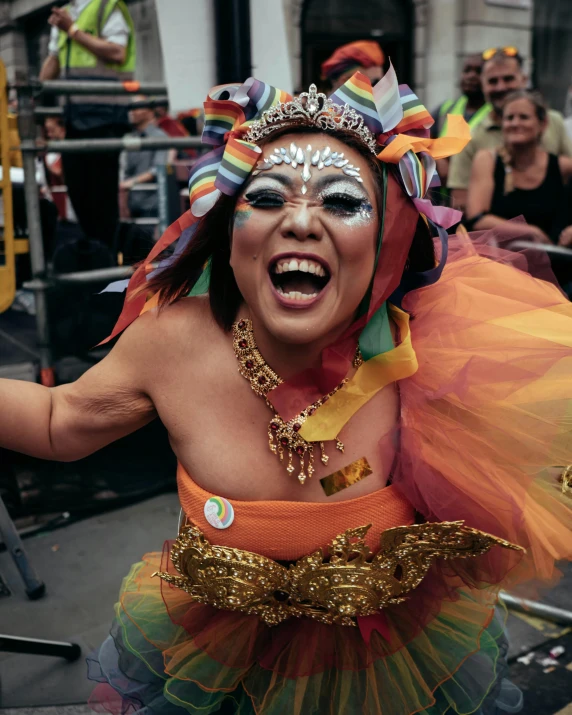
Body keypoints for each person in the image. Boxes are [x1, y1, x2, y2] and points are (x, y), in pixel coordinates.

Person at [1, 70, 572, 715]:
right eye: (268, 197)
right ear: (227, 226)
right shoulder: (174, 341)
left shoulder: (425, 348)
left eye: (342, 202)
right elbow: (58, 417)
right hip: (216, 667)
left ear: (387, 240)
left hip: (394, 665)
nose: (301, 221)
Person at [39, 1, 136, 254]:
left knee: (101, 202)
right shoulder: (65, 15)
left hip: (105, 116)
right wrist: (31, 92)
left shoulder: (106, 7)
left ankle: (107, 266)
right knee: (79, 194)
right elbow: (53, 62)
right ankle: (98, 261)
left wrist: (72, 30)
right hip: (75, 117)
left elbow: (118, 53)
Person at [448, 48, 572, 211]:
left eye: (508, 79)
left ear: (524, 80)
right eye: (492, 81)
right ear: (483, 85)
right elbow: (460, 204)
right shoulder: (468, 138)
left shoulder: (553, 121)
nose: (501, 87)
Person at [466, 90, 572, 243]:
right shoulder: (487, 160)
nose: (515, 123)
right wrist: (529, 232)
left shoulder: (563, 166)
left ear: (543, 124)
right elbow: (477, 219)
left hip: (551, 261)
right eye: (509, 118)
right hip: (497, 260)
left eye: (524, 117)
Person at [120, 96, 169, 219]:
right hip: (131, 204)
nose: (132, 112)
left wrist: (131, 182)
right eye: (130, 108)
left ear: (150, 112)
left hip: (152, 205)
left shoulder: (160, 137)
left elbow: (158, 168)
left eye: (136, 108)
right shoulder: (130, 137)